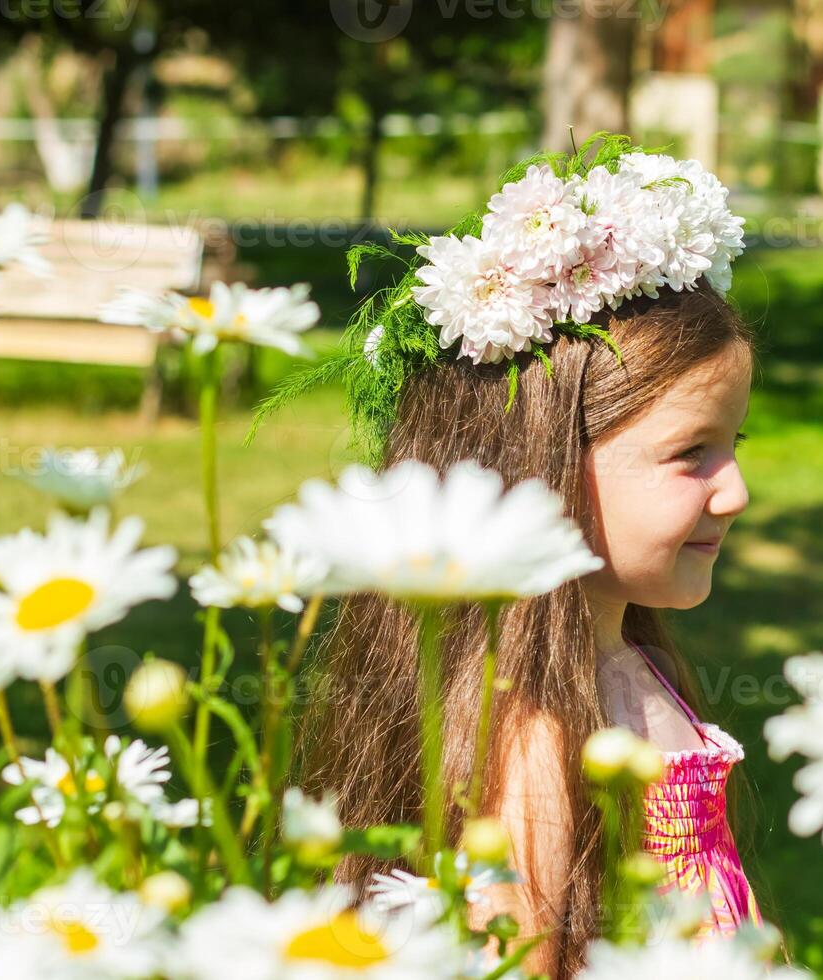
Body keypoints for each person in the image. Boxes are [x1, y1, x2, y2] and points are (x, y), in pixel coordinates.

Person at [300, 138, 766, 977]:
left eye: (734, 445)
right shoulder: (535, 743)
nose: (734, 493)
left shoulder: (628, 668)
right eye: (692, 451)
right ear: (543, 465)